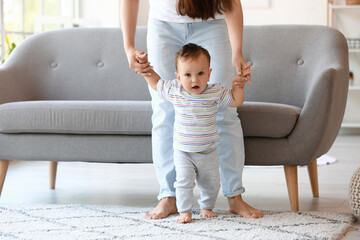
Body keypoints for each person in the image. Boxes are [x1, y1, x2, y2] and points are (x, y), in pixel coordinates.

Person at [121, 0, 264, 219]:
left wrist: (237, 51)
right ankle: (169, 197)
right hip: (163, 24)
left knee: (225, 113)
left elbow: (232, 2)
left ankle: (234, 197)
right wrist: (129, 47)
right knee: (164, 111)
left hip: (213, 25)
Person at [137, 43, 249, 223]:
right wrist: (145, 69)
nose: (194, 80)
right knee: (183, 182)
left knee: (212, 183)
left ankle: (206, 207)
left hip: (208, 150)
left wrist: (239, 85)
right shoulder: (176, 90)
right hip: (183, 151)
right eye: (187, 75)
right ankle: (184, 211)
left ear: (209, 73)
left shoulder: (215, 91)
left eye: (200, 74)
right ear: (178, 77)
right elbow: (157, 84)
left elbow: (235, 101)